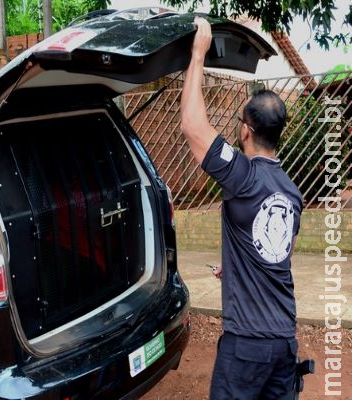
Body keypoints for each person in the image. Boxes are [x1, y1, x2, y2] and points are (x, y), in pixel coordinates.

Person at [179, 17, 303, 399]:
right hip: (285, 342)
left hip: (248, 345)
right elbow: (271, 251)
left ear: (245, 130)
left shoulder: (242, 175)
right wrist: (233, 268)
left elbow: (192, 125)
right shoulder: (293, 193)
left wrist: (198, 55)